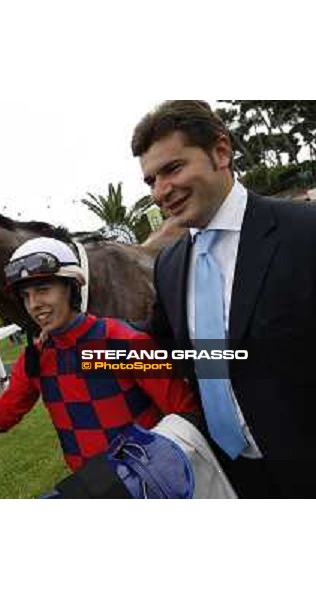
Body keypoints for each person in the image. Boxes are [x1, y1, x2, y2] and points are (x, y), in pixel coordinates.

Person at [132, 100, 316, 498]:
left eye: (173, 168)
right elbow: (160, 343)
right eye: (150, 181)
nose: (161, 191)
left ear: (221, 152)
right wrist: (79, 334)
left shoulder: (305, 231)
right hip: (235, 477)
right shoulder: (170, 264)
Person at [0, 237, 201, 485]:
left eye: (43, 290)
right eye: (26, 296)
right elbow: (1, 418)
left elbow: (185, 413)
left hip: (150, 484)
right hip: (91, 489)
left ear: (71, 288)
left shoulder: (122, 341)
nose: (34, 304)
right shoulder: (36, 358)